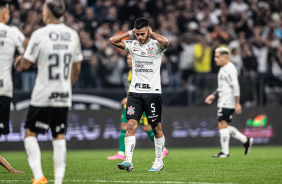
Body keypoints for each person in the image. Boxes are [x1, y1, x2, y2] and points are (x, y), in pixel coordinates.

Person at [14, 0, 82, 183]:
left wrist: (23, 55)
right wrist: (69, 86)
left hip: (43, 93)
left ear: (46, 13)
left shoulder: (39, 34)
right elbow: (77, 65)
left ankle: (38, 177)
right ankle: (58, 181)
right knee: (59, 136)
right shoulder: (72, 34)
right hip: (63, 93)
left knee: (30, 133)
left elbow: (26, 64)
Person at [109, 17, 168, 172]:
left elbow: (166, 42)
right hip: (135, 93)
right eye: (138, 34)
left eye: (143, 34)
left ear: (148, 30)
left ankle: (158, 161)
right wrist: (129, 33)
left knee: (156, 127)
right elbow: (112, 41)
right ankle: (128, 160)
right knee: (130, 125)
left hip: (152, 93)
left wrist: (151, 33)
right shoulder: (132, 44)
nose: (140, 37)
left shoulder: (156, 45)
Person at [107, 54, 168, 160]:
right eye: (127, 59)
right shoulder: (130, 71)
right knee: (124, 125)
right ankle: (121, 152)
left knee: (146, 127)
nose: (129, 61)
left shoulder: (141, 72)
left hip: (141, 102)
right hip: (131, 102)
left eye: (131, 59)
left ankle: (162, 149)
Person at [205, 47, 253, 158]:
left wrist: (237, 102)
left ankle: (225, 152)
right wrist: (213, 95)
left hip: (228, 101)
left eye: (217, 56)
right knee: (224, 125)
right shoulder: (223, 68)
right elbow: (223, 86)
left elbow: (235, 85)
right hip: (223, 100)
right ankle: (245, 140)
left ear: (224, 57)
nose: (215, 59)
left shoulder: (230, 69)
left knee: (222, 124)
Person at [0, 0, 24, 174]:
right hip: (3, 90)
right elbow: (29, 52)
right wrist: (22, 57)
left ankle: (9, 169)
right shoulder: (12, 32)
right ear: (5, 14)